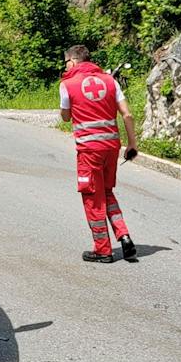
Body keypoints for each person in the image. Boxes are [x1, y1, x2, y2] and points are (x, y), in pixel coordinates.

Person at [58, 44, 138, 263]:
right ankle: (124, 236)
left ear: (72, 62)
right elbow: (127, 114)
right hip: (111, 146)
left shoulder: (67, 84)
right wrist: (132, 144)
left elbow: (65, 117)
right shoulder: (110, 80)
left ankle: (103, 249)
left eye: (66, 62)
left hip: (89, 150)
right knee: (107, 191)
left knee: (92, 196)